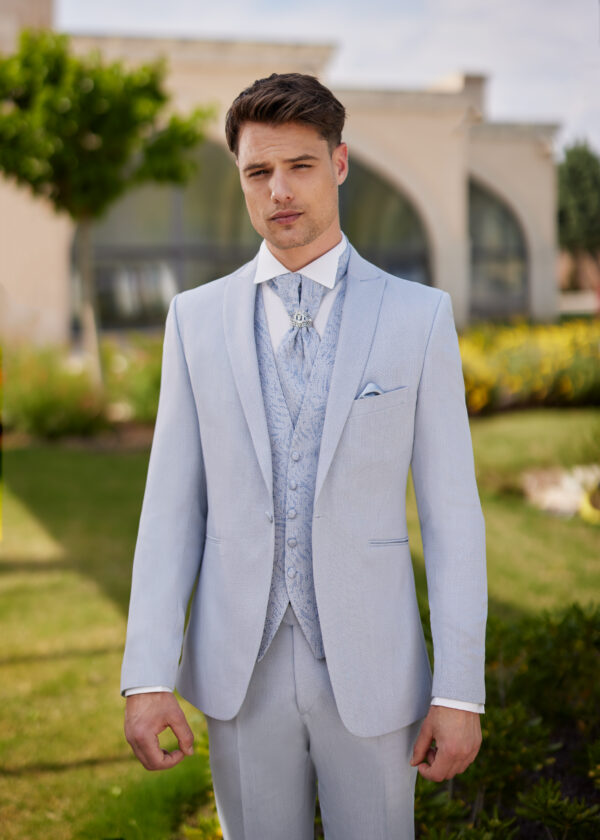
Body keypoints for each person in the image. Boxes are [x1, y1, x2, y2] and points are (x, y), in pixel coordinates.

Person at [121, 72, 487, 840]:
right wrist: (149, 673)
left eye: (300, 166)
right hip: (239, 673)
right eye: (259, 172)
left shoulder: (419, 318)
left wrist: (461, 690)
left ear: (340, 163)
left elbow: (454, 518)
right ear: (242, 180)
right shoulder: (195, 320)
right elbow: (169, 511)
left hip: (375, 671)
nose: (279, 190)